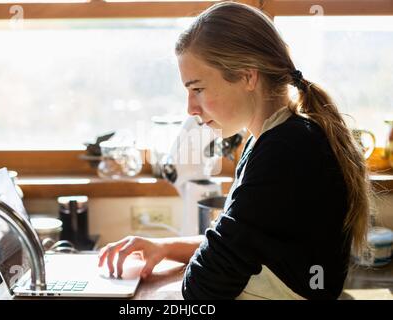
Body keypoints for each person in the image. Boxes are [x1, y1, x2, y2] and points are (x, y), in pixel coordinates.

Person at [98, 1, 372, 300]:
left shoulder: (285, 150)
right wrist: (165, 247)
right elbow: (245, 244)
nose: (190, 108)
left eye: (197, 88)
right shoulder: (276, 137)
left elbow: (204, 288)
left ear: (247, 76)